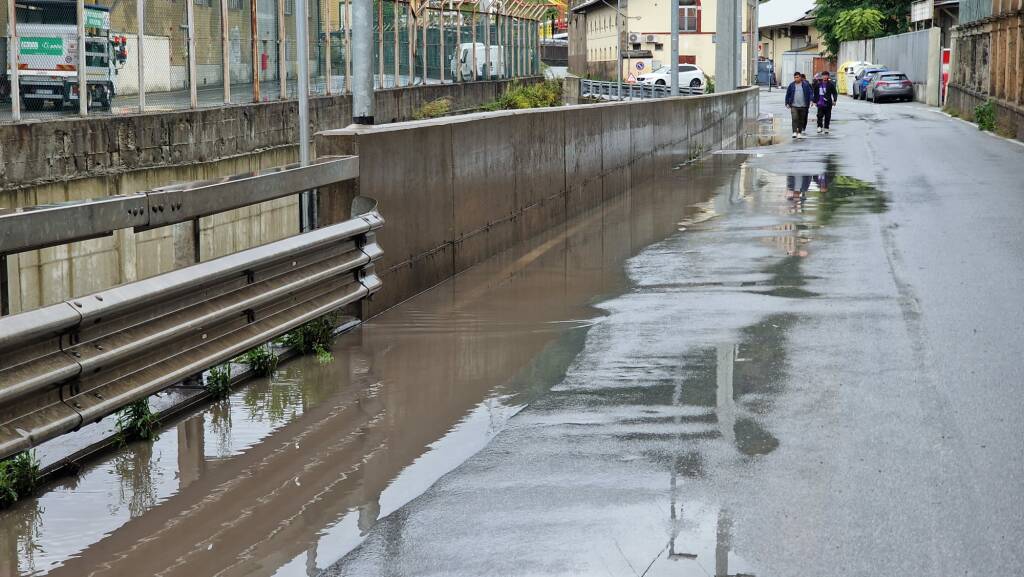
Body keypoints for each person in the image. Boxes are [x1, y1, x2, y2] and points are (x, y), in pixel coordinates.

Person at [785, 72, 812, 139]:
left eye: (797, 77)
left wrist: (811, 100)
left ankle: (799, 132)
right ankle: (794, 132)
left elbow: (810, 93)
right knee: (794, 118)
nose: (796, 79)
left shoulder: (805, 85)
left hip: (803, 105)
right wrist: (787, 103)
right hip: (794, 105)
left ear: (800, 77)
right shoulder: (791, 85)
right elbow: (788, 94)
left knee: (801, 120)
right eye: (795, 77)